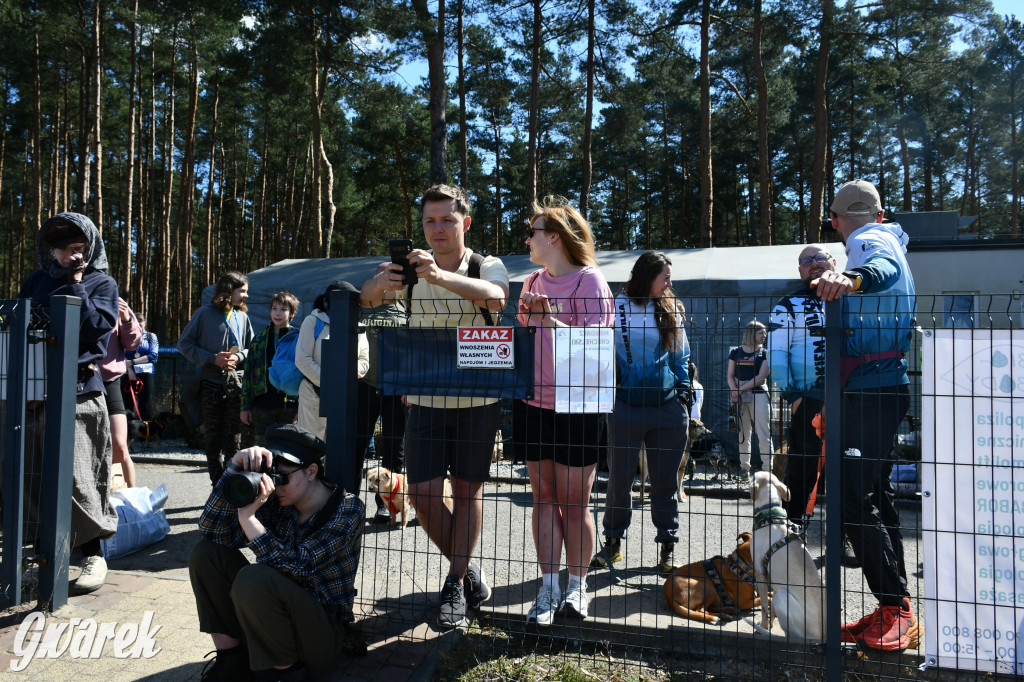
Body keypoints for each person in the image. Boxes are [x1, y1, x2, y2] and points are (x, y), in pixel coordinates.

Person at [360, 184, 509, 629]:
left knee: (467, 492)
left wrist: (439, 277)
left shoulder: (486, 264)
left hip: (478, 399)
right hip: (423, 400)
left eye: (447, 219)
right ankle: (468, 575)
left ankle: (454, 582)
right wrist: (377, 285)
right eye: (429, 221)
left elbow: (497, 298)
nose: (437, 228)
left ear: (465, 222)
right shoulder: (408, 270)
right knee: (423, 497)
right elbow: (368, 307)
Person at [811, 179, 918, 651]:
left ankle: (896, 607)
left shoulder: (868, 239)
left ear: (839, 218)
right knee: (873, 495)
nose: (834, 229)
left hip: (874, 390)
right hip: (872, 388)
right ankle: (895, 605)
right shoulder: (880, 236)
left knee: (852, 501)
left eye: (831, 220)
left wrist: (850, 279)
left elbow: (881, 266)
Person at [189, 423, 364, 681]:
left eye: (281, 478)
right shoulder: (277, 503)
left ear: (311, 471)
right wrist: (233, 469)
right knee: (207, 553)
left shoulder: (348, 509)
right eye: (270, 477)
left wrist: (248, 519)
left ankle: (286, 675)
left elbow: (299, 565)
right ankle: (232, 662)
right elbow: (212, 530)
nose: (274, 486)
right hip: (272, 621)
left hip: (319, 634)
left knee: (254, 578)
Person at [515, 196, 614, 626]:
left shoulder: (591, 282)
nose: (527, 240)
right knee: (543, 500)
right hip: (535, 404)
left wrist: (550, 320)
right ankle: (547, 589)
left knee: (575, 504)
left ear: (553, 237)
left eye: (533, 233)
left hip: (580, 408)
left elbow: (598, 350)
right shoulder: (532, 280)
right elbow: (523, 339)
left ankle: (577, 587)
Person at [18, 212, 119, 594]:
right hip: (31, 393)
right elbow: (18, 326)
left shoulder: (101, 282)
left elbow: (95, 329)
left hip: (79, 392)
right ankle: (39, 555)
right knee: (31, 475)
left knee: (79, 475)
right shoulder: (36, 281)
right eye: (62, 249)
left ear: (90, 249)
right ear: (51, 251)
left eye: (78, 249)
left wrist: (76, 284)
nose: (70, 256)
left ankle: (93, 553)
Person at [594, 251, 690, 575]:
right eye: (665, 277)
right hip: (625, 407)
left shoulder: (671, 308)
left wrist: (684, 395)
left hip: (667, 408)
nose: (670, 283)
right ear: (648, 277)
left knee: (665, 484)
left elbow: (681, 357)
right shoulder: (615, 306)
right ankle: (613, 545)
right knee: (619, 481)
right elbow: (599, 350)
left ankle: (667, 547)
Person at [178, 271, 255, 483]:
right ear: (229, 291)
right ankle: (217, 486)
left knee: (234, 438)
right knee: (212, 437)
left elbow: (252, 349)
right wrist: (213, 359)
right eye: (243, 291)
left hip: (235, 386)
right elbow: (184, 344)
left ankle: (231, 486)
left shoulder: (243, 317)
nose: (246, 296)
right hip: (210, 384)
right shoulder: (204, 313)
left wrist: (239, 356)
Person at [357, 283, 408, 524]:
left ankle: (387, 506)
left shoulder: (407, 308)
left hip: (396, 389)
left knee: (393, 448)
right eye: (380, 277)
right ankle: (349, 504)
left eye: (392, 278)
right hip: (365, 386)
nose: (386, 283)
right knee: (356, 446)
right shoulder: (362, 308)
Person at [295, 281, 369, 442]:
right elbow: (302, 359)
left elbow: (364, 363)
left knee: (338, 447)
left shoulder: (359, 327)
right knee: (310, 446)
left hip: (344, 396)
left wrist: (341, 381)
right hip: (313, 395)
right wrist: (330, 383)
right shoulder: (312, 321)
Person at [241, 291, 301, 445]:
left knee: (286, 449)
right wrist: (245, 406)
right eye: (274, 308)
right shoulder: (259, 339)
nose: (278, 313)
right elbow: (248, 373)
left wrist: (302, 407)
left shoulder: (298, 338)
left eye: (283, 309)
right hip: (263, 404)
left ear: (292, 313)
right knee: (262, 448)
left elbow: (304, 373)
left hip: (290, 404)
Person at [99, 297, 143, 488]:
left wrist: (126, 320)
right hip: (76, 379)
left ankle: (135, 503)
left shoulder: (114, 300)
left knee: (119, 445)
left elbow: (134, 343)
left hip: (109, 380)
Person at [727, 320, 772, 478]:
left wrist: (740, 389)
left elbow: (761, 377)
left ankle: (768, 470)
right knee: (743, 433)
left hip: (758, 395)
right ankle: (744, 469)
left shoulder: (765, 353)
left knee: (763, 432)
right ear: (752, 333)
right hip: (739, 396)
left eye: (765, 333)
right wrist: (734, 391)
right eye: (761, 332)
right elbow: (730, 375)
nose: (764, 335)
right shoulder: (735, 352)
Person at [124, 313, 158, 420]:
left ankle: (145, 434)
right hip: (128, 374)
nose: (138, 323)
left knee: (145, 406)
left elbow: (153, 356)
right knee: (127, 406)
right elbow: (121, 354)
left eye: (141, 320)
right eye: (136, 320)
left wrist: (132, 363)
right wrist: (129, 369)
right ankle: (128, 434)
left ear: (145, 322)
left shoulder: (151, 336)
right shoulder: (126, 336)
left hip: (145, 374)